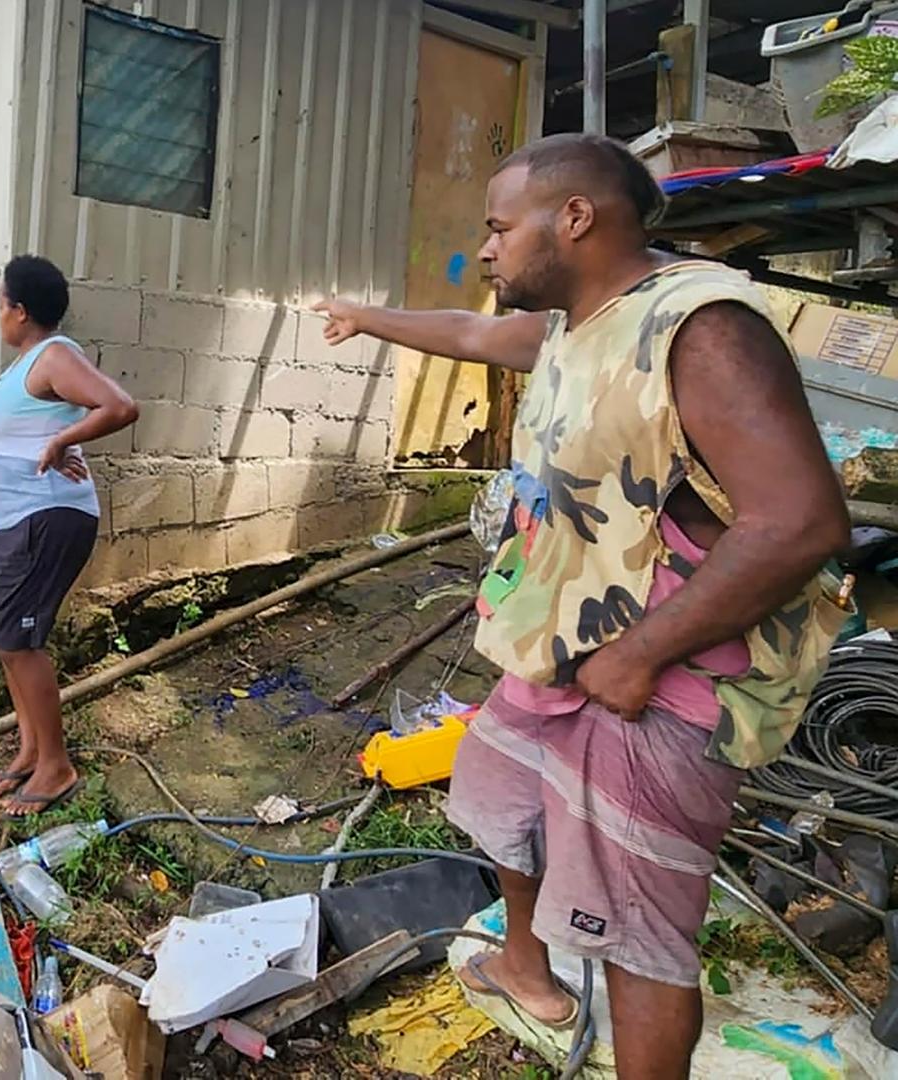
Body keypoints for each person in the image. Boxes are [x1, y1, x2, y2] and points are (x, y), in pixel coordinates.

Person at [315, 133, 851, 1079]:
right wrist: (364, 316)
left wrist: (642, 655)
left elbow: (801, 523)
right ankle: (529, 969)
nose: (485, 249)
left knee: (641, 932)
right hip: (562, 652)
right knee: (498, 801)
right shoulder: (574, 323)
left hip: (671, 682)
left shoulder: (701, 327)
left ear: (574, 218)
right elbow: (472, 333)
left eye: (497, 227)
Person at [0, 255, 139, 816]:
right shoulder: (22, 366)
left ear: (21, 311)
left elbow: (119, 406)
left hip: (47, 516)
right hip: (15, 521)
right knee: (7, 642)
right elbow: (4, 435)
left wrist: (65, 439)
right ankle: (31, 749)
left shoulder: (55, 356)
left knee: (19, 643)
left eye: (1, 303)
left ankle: (57, 766)